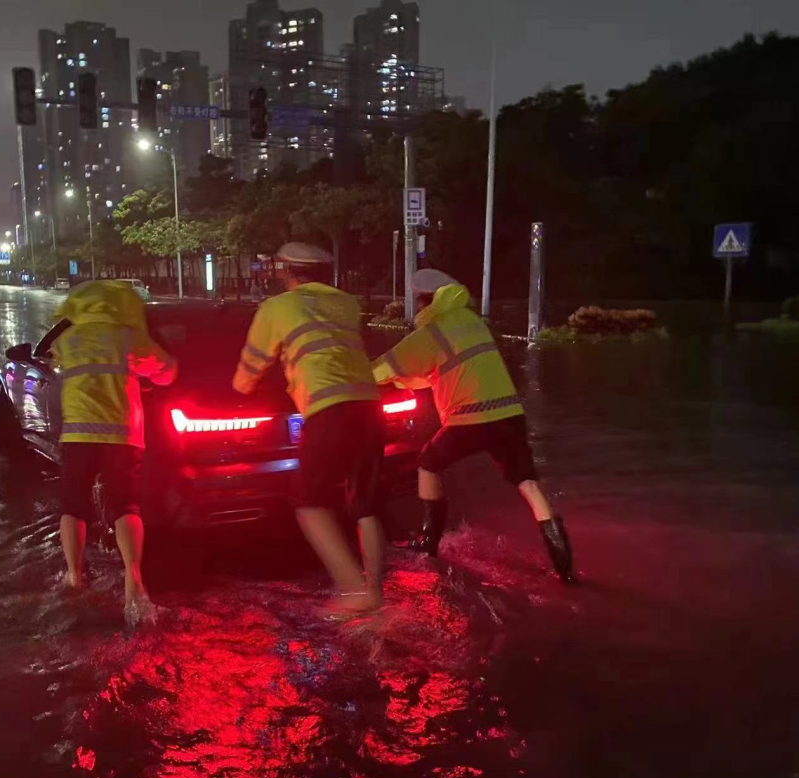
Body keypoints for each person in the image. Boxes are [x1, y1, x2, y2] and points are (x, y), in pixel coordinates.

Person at [371, 269, 575, 582]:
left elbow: (386, 366)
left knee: (428, 463)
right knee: (527, 481)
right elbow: (448, 370)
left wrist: (351, 377)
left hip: (468, 419)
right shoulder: (473, 323)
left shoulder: (433, 333)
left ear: (424, 301)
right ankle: (563, 563)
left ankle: (428, 543)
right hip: (509, 414)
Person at [232, 243, 387, 615]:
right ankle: (376, 592)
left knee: (307, 501)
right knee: (363, 503)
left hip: (328, 411)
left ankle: (352, 592)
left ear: (287, 271)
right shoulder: (347, 304)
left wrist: (242, 388)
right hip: (369, 407)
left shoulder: (276, 307)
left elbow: (250, 369)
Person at [52, 280, 178, 626]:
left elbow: (59, 365)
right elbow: (166, 371)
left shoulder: (68, 340)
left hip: (77, 434)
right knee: (125, 506)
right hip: (122, 436)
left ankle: (74, 576)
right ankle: (133, 580)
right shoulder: (126, 338)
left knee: (73, 506)